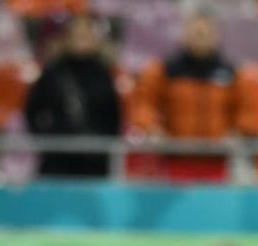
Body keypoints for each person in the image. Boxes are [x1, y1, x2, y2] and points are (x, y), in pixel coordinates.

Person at [132, 10, 238, 181]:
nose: (200, 38)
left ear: (216, 36)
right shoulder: (166, 70)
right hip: (176, 159)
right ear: (185, 35)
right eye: (196, 33)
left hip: (217, 161)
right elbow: (144, 103)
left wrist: (237, 133)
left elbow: (244, 110)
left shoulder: (231, 73)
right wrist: (152, 128)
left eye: (205, 33)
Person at [24, 15, 121, 178]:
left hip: (94, 159)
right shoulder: (53, 72)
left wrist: (103, 144)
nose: (82, 39)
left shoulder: (103, 74)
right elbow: (32, 110)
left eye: (86, 34)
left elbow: (113, 115)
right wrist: (46, 138)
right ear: (66, 38)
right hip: (57, 157)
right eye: (77, 34)